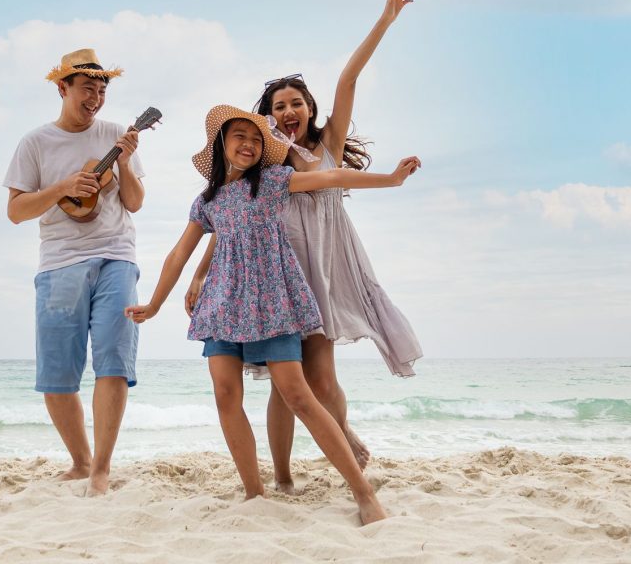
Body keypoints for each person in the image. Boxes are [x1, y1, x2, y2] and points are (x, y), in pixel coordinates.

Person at [126, 105, 420, 525]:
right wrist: (154, 304)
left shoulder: (273, 182)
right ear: (221, 146)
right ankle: (254, 493)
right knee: (226, 396)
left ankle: (365, 494)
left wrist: (390, 180)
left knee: (298, 396)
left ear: (263, 149)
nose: (247, 143)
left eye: (255, 137)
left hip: (273, 303)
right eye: (238, 136)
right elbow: (179, 253)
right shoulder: (207, 201)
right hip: (222, 306)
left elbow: (333, 177)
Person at [185, 0, 422, 492]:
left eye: (296, 103)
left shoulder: (328, 149)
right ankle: (287, 475)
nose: (289, 112)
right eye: (278, 107)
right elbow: (226, 225)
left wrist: (385, 19)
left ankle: (345, 449)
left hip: (331, 265)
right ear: (268, 119)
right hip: (280, 274)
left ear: (310, 109)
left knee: (320, 378)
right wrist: (201, 275)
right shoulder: (263, 169)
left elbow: (349, 77)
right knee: (285, 382)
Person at [3, 48, 145, 496]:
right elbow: (15, 211)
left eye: (102, 91)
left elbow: (136, 202)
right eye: (88, 89)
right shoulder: (35, 143)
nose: (96, 99)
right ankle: (81, 462)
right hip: (59, 261)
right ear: (62, 88)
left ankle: (101, 469)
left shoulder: (118, 134)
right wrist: (63, 187)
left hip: (116, 255)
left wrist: (123, 162)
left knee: (114, 360)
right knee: (58, 373)